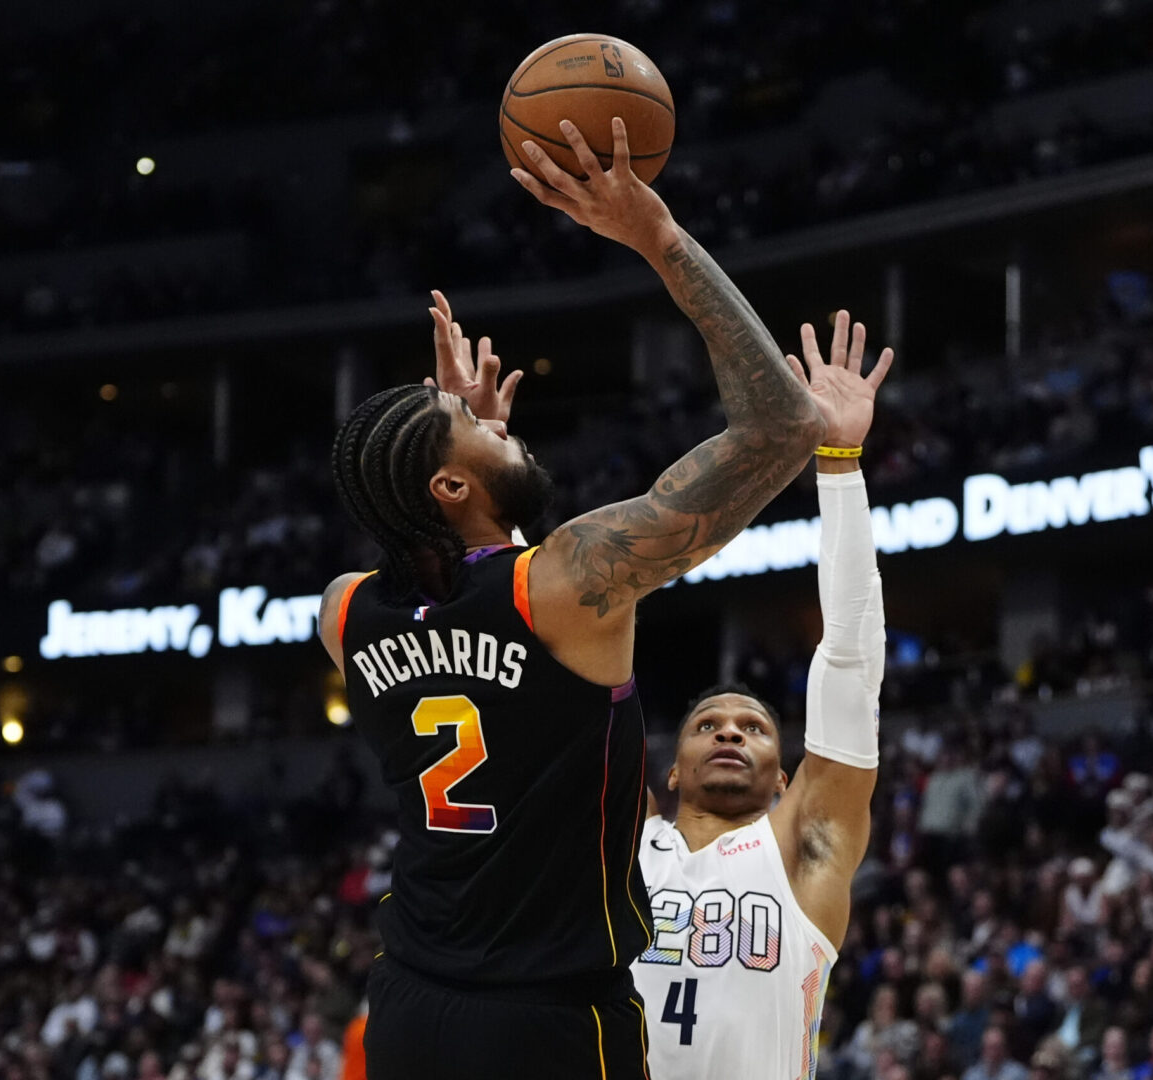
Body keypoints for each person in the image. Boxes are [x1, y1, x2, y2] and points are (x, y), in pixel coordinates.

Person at [319, 117, 827, 1080]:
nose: (485, 413)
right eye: (461, 423)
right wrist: (659, 238)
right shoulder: (569, 580)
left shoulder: (342, 612)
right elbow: (781, 426)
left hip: (410, 1004)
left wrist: (460, 458)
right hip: (547, 1015)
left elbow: (436, 588)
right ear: (450, 490)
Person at [628, 310, 893, 1079]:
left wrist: (839, 461)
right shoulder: (626, 845)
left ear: (785, 779)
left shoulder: (802, 843)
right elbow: (547, 678)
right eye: (708, 724)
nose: (731, 732)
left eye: (752, 728)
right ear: (670, 771)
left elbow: (849, 660)